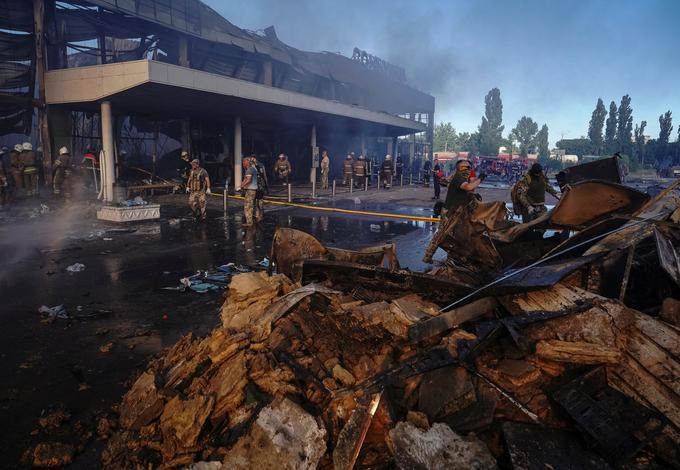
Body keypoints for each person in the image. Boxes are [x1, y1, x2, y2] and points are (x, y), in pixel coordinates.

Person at [240, 157, 263, 227]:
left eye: (244, 162)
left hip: (250, 190)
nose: (243, 163)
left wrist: (241, 185)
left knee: (248, 206)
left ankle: (249, 222)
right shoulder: (253, 169)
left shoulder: (249, 170)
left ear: (247, 162)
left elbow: (248, 180)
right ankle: (258, 218)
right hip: (255, 190)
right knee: (254, 205)